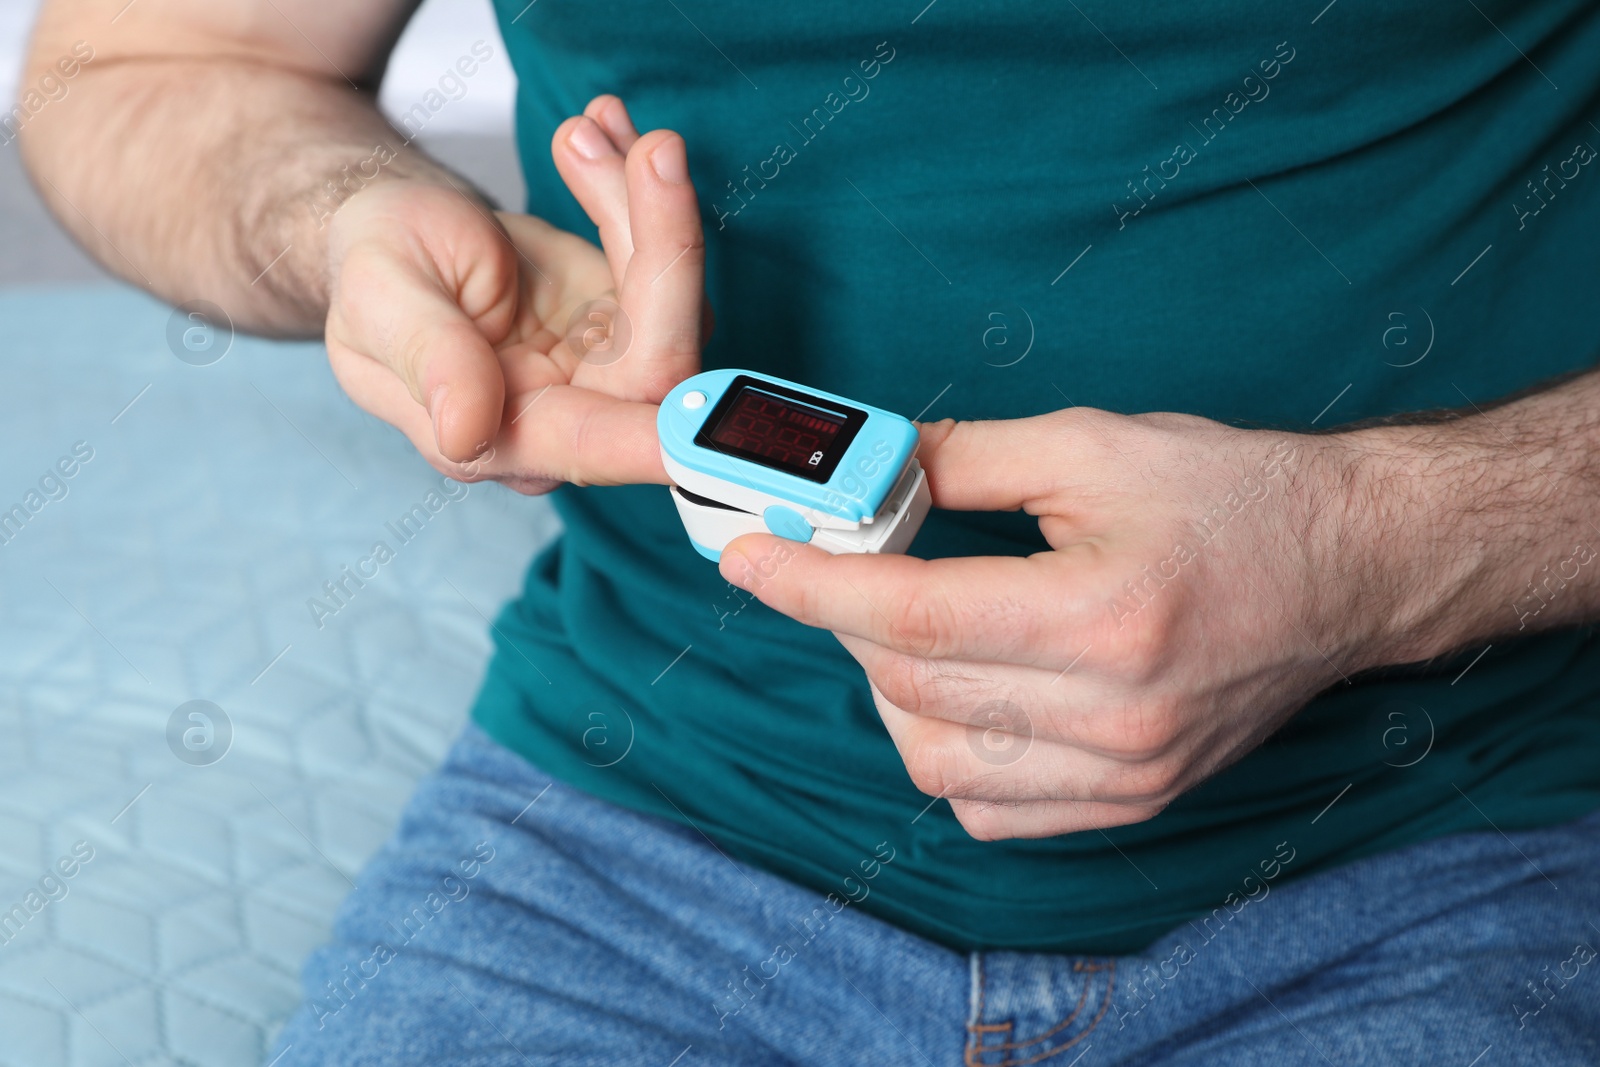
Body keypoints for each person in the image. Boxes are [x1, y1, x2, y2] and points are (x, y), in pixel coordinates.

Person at [21, 0, 1600, 1062]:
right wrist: (340, 214)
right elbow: (145, 65)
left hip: (1466, 847)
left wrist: (1385, 542)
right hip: (636, 838)